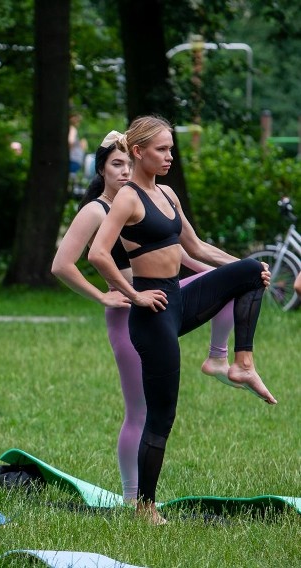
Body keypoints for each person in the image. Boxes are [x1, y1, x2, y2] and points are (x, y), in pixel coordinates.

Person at [87, 115, 277, 524]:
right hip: (151, 313)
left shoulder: (169, 195)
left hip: (178, 298)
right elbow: (98, 254)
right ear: (138, 152)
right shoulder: (127, 198)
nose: (170, 156)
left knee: (249, 271)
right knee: (161, 415)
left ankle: (241, 363)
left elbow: (196, 247)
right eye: (162, 149)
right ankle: (145, 506)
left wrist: (245, 266)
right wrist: (134, 293)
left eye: (171, 148)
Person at [52, 130, 242, 503]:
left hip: (163, 304)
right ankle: (130, 497)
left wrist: (243, 269)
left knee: (231, 288)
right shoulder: (97, 210)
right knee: (139, 411)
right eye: (115, 164)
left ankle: (219, 356)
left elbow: (190, 254)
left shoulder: (147, 200)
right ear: (102, 170)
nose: (124, 171)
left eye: (128, 163)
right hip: (129, 315)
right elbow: (62, 264)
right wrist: (105, 296)